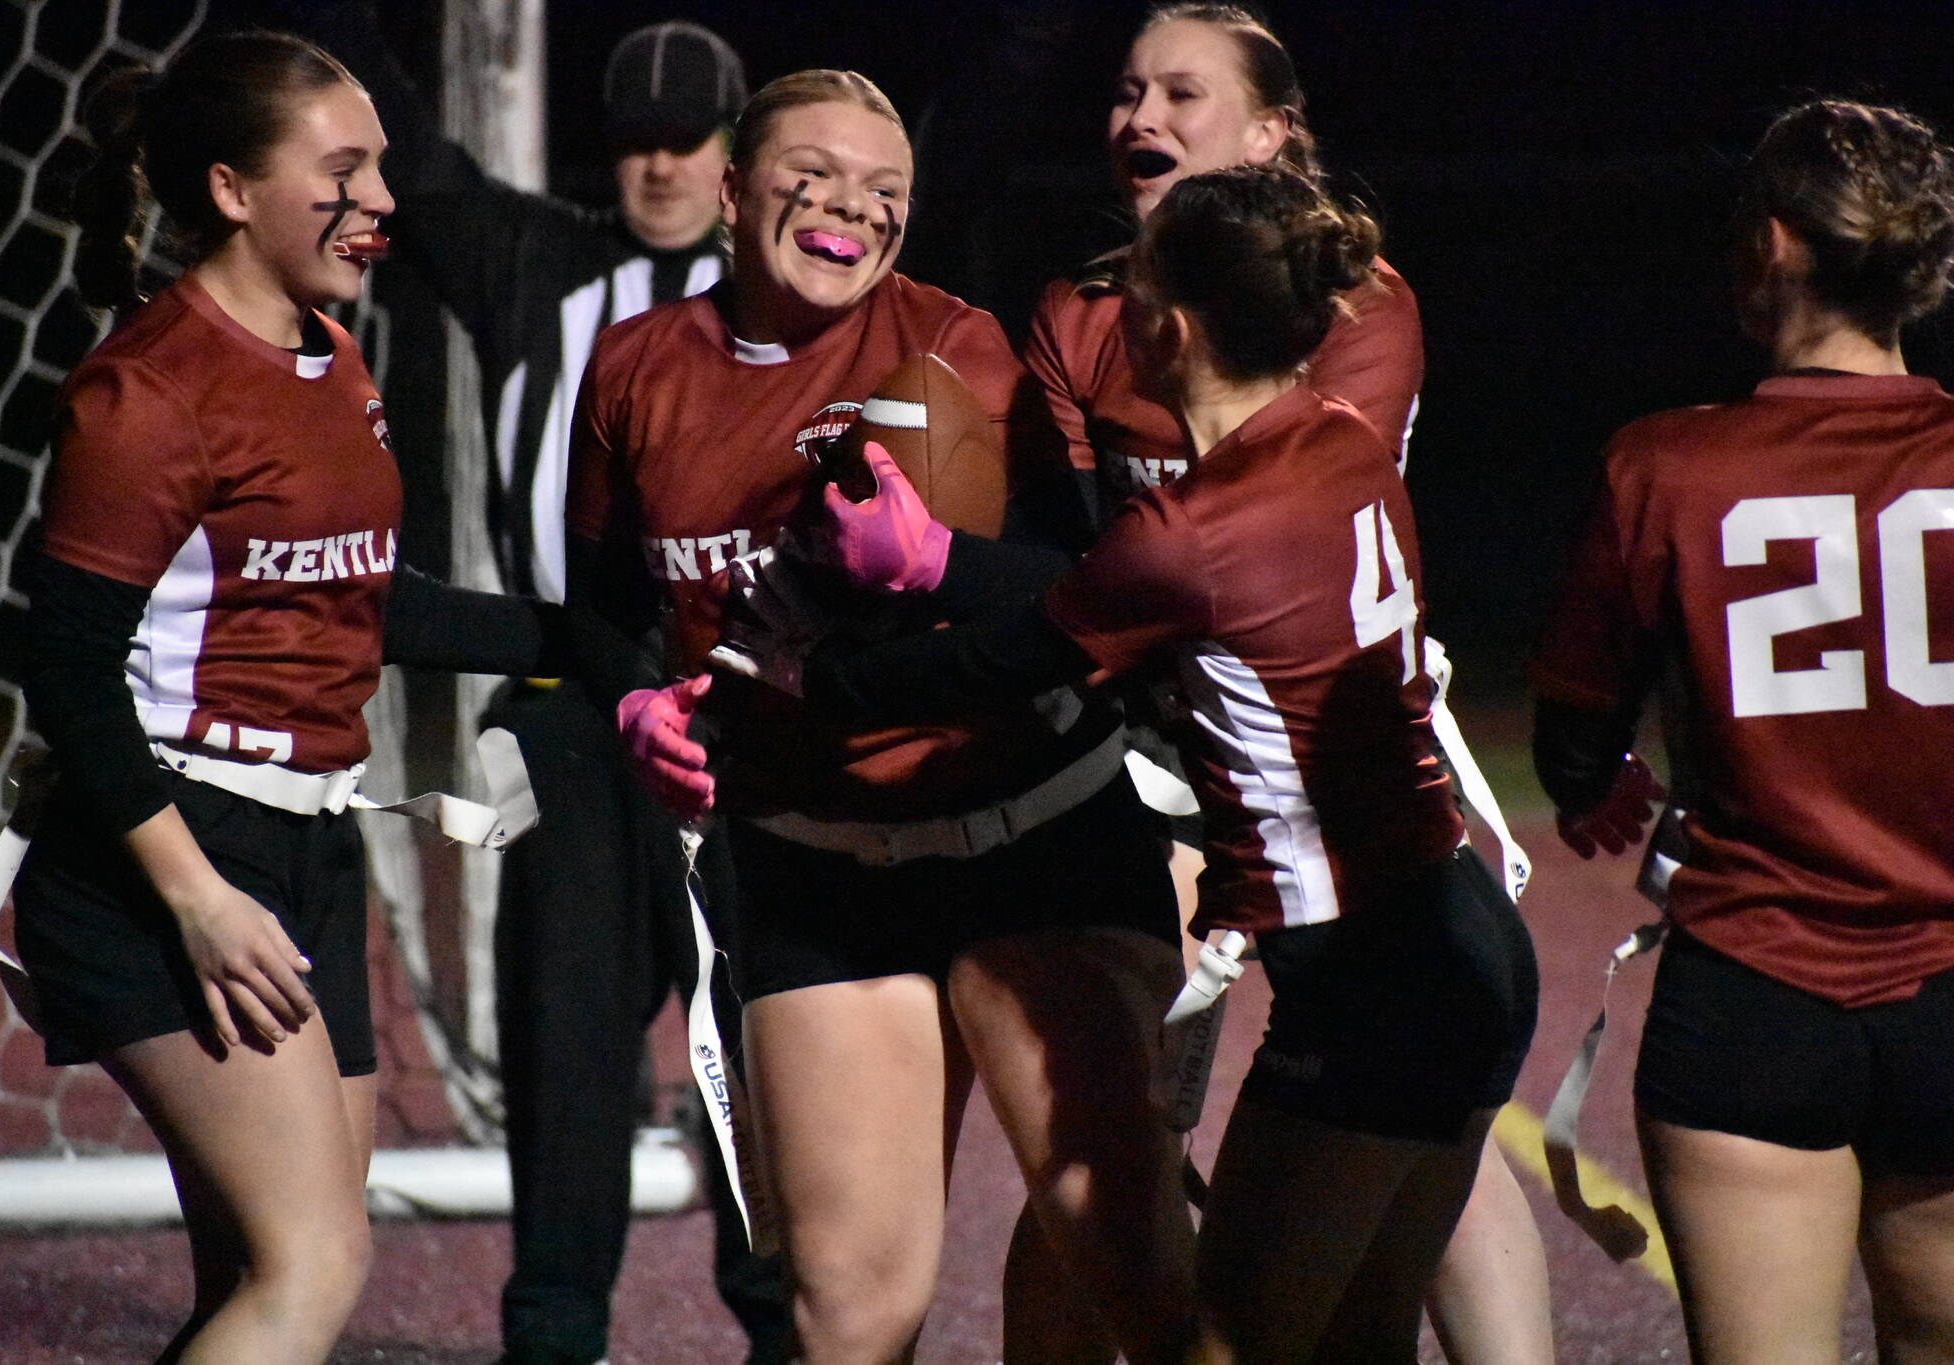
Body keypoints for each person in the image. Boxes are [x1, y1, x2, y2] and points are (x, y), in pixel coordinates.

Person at [718, 162, 1539, 1365]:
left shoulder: (1189, 529)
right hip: (1460, 930)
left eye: (1135, 298)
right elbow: (1108, 594)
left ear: (1169, 329)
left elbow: (1003, 658)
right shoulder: (1340, 438)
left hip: (1361, 971)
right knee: (1354, 1344)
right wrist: (940, 561)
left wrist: (781, 676)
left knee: (1222, 1345)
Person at [571, 69, 1200, 1365]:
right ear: (733, 189)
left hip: (1026, 837)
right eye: (814, 173)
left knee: (1132, 1268)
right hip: (816, 860)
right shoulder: (636, 366)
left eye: (885, 189)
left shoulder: (952, 351)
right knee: (850, 1315)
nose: (851, 205)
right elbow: (606, 606)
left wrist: (927, 572)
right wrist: (633, 698)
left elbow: (1078, 587)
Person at [20, 30, 573, 1362]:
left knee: (262, 1283)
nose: (380, 199)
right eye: (343, 171)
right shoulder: (149, 391)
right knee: (313, 1263)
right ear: (230, 189)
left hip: (308, 845)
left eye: (380, 167)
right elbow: (69, 678)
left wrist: (587, 645)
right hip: (169, 855)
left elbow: (362, 597)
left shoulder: (332, 354)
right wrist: (200, 901)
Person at [1017, 6, 1551, 1362]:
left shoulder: (1352, 306)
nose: (1140, 118)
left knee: (1380, 1134)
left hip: (1315, 755)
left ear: (1269, 134)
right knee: (1117, 1127)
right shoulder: (1079, 307)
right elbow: (1066, 542)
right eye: (1125, 90)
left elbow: (1223, 547)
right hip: (1160, 747)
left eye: (1181, 93)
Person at [263, 7, 792, 1362]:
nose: (660, 165)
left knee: (768, 1049)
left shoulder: (792, 285)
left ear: (736, 153)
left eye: (688, 139)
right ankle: (554, 1336)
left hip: (752, 727)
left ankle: (791, 1329)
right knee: (564, 1044)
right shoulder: (534, 261)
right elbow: (406, 139)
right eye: (636, 140)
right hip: (571, 713)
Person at [1532, 98, 1954, 1365]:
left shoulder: (1663, 464)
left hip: (1754, 988)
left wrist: (1597, 783)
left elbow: (1572, 739)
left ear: (1769, 242)